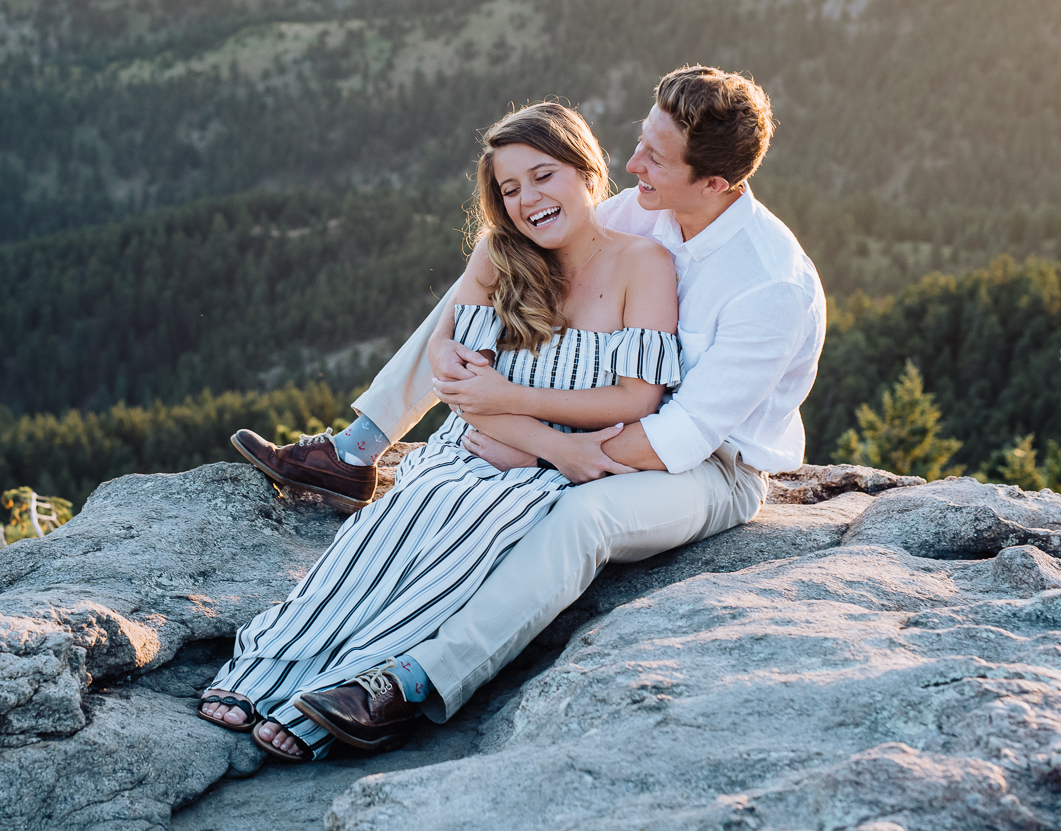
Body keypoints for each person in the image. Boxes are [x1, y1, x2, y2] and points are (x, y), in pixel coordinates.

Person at [217, 64, 825, 760]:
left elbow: (678, 436)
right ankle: (360, 447)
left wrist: (536, 443)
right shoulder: (642, 210)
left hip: (706, 464)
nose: (630, 166)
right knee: (497, 268)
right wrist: (456, 364)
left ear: (714, 183)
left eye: (653, 159)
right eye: (641, 142)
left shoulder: (769, 284)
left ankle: (411, 683)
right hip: (592, 420)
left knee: (581, 518)